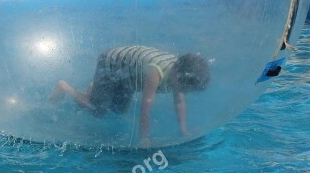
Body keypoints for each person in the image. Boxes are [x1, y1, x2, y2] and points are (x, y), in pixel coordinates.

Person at [49, 46, 210, 146]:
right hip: (111, 64)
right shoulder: (156, 73)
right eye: (185, 87)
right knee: (98, 110)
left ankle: (95, 89)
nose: (185, 91)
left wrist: (184, 130)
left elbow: (179, 101)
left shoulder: (178, 71)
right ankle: (65, 87)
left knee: (119, 110)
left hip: (129, 74)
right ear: (177, 74)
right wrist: (144, 139)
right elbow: (146, 106)